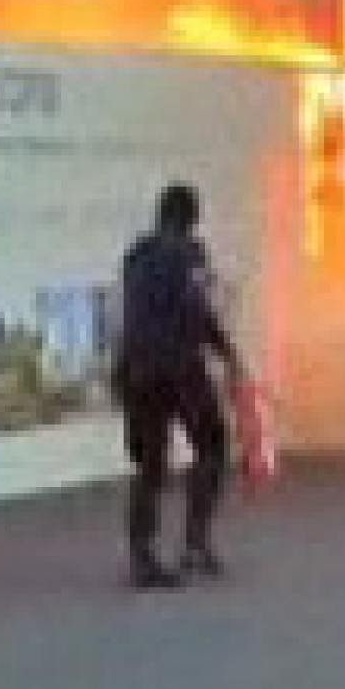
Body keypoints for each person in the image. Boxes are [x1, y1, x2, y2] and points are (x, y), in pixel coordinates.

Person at [113, 183, 240, 589]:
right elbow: (196, 310)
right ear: (191, 218)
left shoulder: (136, 256)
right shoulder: (189, 253)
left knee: (149, 465)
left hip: (136, 369)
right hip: (177, 368)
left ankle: (142, 557)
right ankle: (194, 543)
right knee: (213, 445)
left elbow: (129, 315)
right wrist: (227, 351)